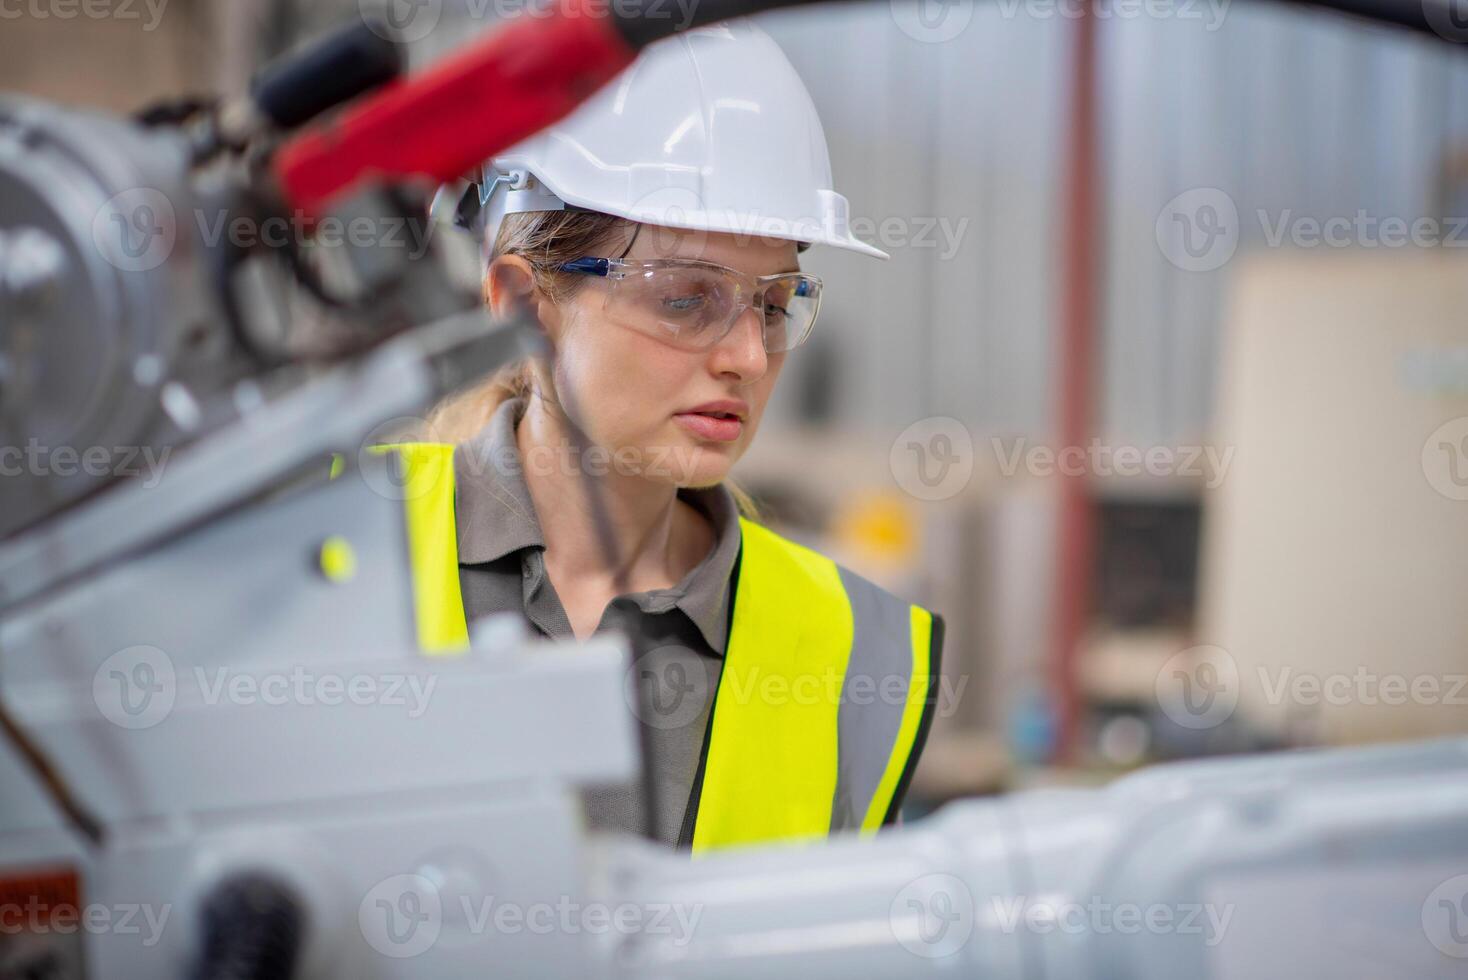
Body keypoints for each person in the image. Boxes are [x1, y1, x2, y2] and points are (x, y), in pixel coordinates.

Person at [384, 20, 944, 855]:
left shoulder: (856, 650)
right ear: (522, 307)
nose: (750, 357)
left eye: (774, 302)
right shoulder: (327, 548)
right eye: (685, 298)